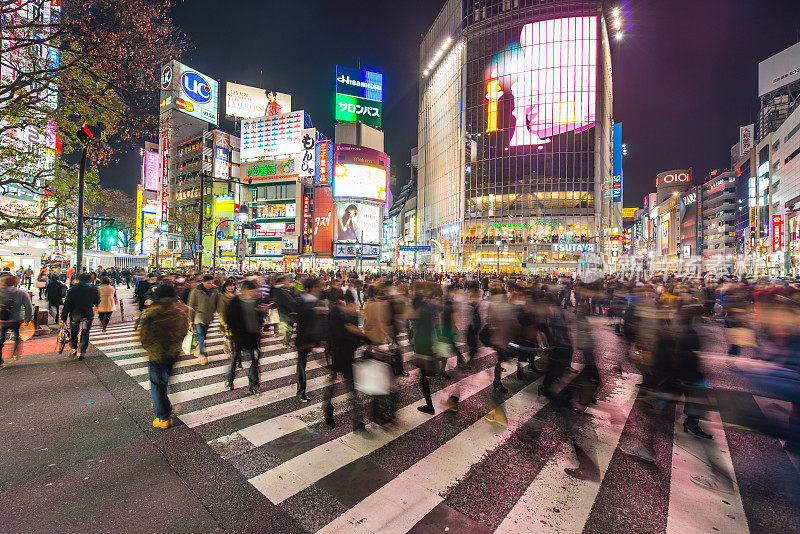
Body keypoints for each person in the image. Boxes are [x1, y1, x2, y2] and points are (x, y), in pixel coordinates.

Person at [138, 283, 191, 429]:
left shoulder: (153, 311)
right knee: (165, 379)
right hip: (173, 351)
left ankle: (163, 417)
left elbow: (144, 335)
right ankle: (161, 403)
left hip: (156, 352)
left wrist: (148, 347)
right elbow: (184, 330)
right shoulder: (180, 309)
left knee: (156, 383)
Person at [225, 279, 266, 395]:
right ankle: (230, 379)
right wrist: (235, 333)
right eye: (252, 291)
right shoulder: (235, 302)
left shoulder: (256, 301)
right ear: (245, 291)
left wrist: (261, 312)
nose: (255, 293)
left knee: (255, 360)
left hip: (253, 336)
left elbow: (260, 318)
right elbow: (230, 319)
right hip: (239, 337)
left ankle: (253, 385)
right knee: (235, 359)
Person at [294, 277, 324, 402]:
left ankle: (301, 391)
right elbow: (302, 321)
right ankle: (301, 392)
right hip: (305, 340)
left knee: (303, 364)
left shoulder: (316, 301)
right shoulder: (304, 302)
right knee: (301, 365)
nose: (320, 289)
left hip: (313, 339)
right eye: (318, 287)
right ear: (312, 288)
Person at [61, 272, 100, 360]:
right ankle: (81, 352)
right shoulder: (93, 289)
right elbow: (97, 301)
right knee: (85, 332)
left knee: (74, 331)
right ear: (90, 279)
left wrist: (64, 315)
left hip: (75, 313)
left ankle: (74, 348)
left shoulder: (73, 289)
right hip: (87, 313)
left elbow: (67, 304)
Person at [0, 275, 32, 368]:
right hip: (17, 320)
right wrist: (27, 319)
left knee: (0, 340)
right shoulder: (21, 293)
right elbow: (28, 307)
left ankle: (0, 361)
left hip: (2, 321)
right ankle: (15, 353)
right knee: (18, 336)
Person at [188, 274, 218, 365]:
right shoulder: (196, 291)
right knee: (201, 336)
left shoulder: (214, 291)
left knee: (203, 336)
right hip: (198, 316)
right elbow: (191, 306)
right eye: (208, 283)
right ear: (203, 282)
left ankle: (198, 348)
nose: (210, 285)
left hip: (208, 317)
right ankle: (203, 355)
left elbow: (216, 303)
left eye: (211, 283)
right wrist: (191, 320)